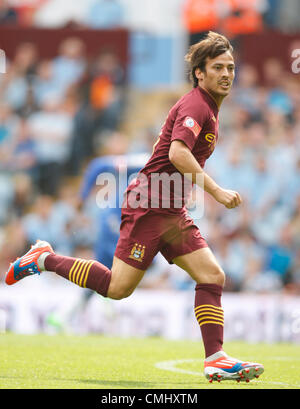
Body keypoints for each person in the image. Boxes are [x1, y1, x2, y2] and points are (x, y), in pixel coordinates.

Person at [5, 31, 264, 383]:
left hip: (170, 209)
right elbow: (177, 152)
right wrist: (216, 191)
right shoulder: (197, 104)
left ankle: (215, 358)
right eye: (218, 67)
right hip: (150, 206)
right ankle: (43, 259)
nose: (227, 74)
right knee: (118, 289)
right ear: (199, 73)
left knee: (212, 275)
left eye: (231, 67)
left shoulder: (210, 109)